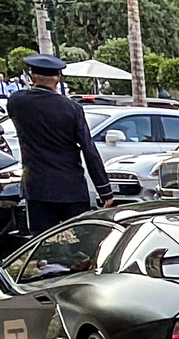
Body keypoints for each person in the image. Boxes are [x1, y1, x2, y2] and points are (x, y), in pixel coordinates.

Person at [6, 54, 111, 231]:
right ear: (58, 79)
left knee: (42, 243)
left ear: (31, 77)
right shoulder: (72, 108)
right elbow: (88, 149)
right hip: (71, 187)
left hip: (38, 187)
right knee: (77, 243)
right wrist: (104, 189)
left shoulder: (17, 102)